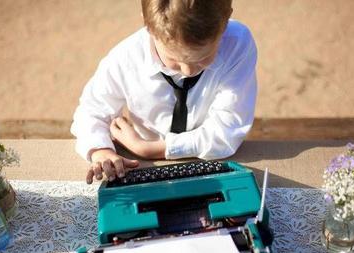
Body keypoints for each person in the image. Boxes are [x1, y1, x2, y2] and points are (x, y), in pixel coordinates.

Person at [71, 0, 257, 184]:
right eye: (173, 58)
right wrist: (101, 150)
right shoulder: (125, 58)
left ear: (225, 22)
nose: (188, 71)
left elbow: (227, 130)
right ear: (148, 25)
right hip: (145, 168)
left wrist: (147, 149)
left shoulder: (237, 45)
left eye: (203, 58)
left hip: (205, 164)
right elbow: (90, 111)